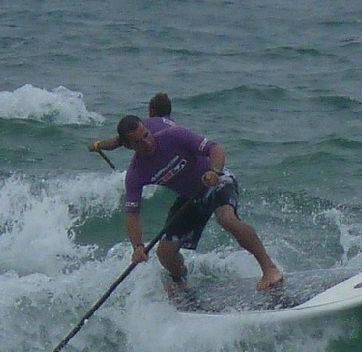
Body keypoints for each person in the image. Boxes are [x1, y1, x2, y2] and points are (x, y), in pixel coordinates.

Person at [94, 108, 283, 292]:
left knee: (227, 219)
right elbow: (132, 213)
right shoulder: (136, 172)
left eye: (146, 135)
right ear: (128, 146)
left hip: (216, 182)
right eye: (139, 142)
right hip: (190, 199)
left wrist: (214, 171)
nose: (147, 142)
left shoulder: (174, 135)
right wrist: (137, 247)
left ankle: (269, 269)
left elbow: (215, 149)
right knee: (165, 253)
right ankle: (181, 281)